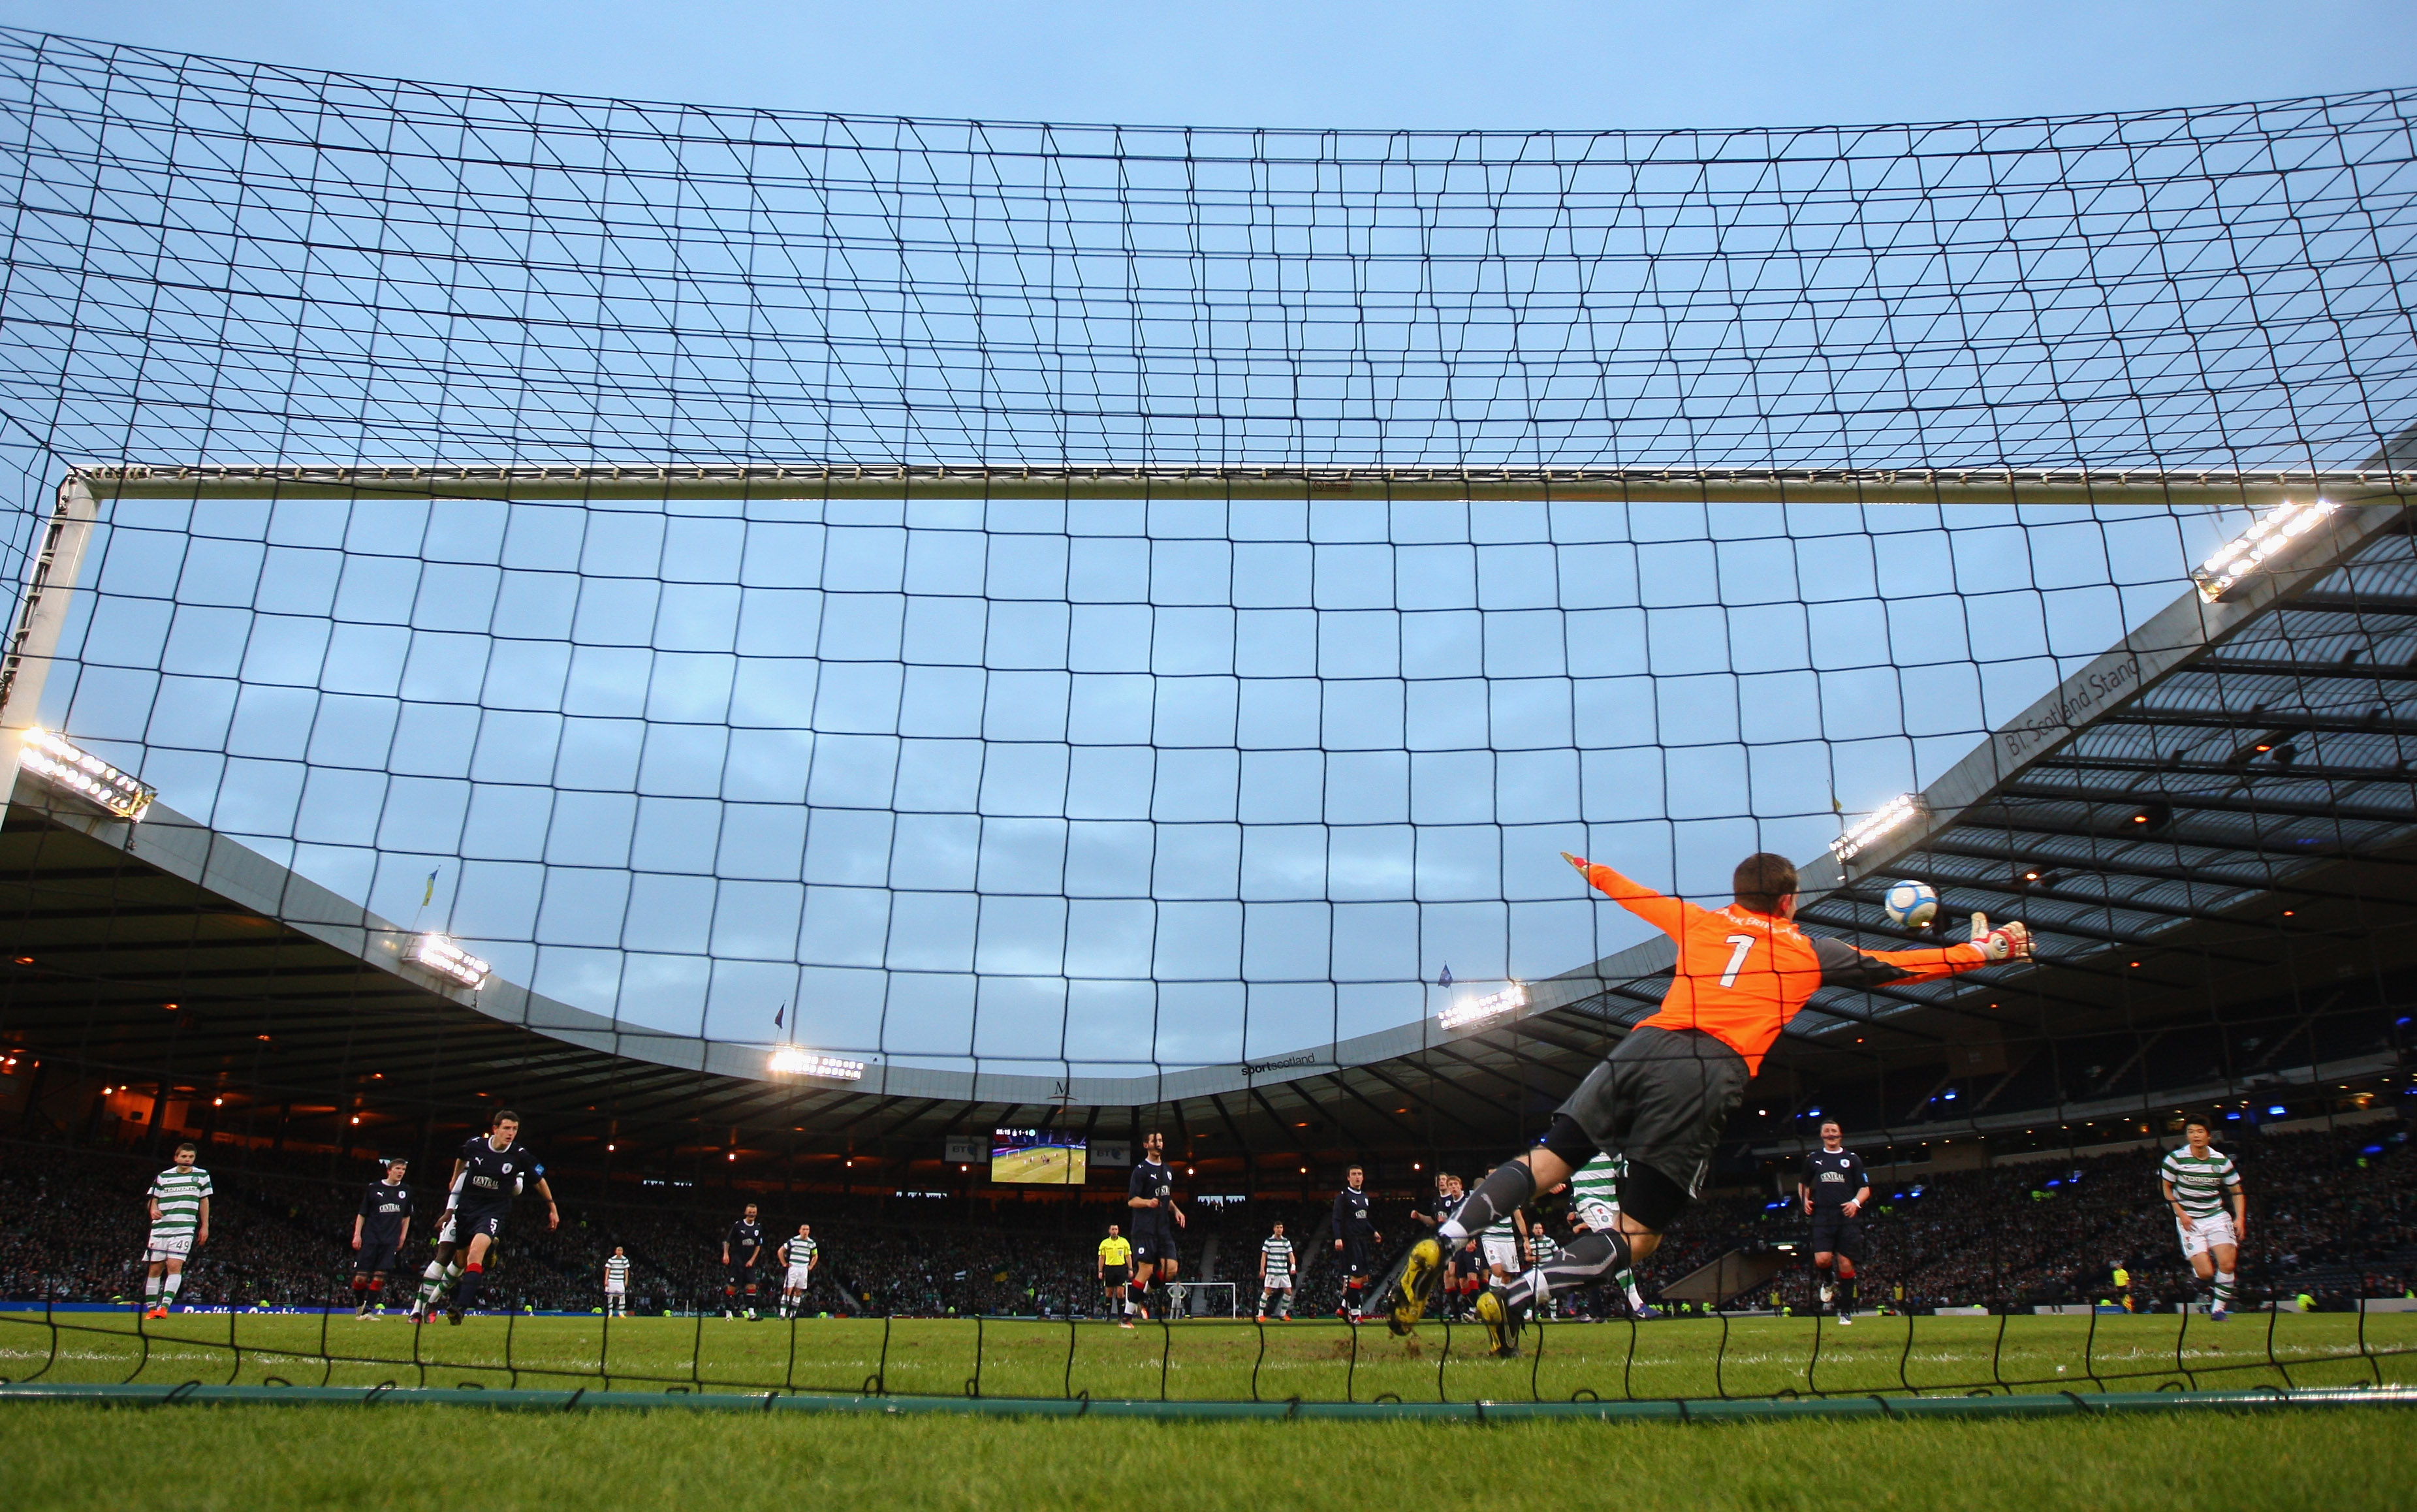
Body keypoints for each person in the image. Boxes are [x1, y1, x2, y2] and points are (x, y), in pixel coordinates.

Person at [1383, 850, 2027, 1357]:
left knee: (1546, 1160)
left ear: (1738, 894)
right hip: (1706, 1069)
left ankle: (1443, 1240)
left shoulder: (1703, 921)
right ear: (1787, 900)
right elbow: (1897, 965)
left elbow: (1632, 894)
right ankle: (1518, 1296)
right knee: (1637, 1237)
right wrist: (1982, 951)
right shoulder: (1808, 950)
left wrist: (1587, 866)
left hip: (1641, 1046)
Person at [443, 1109, 558, 1323]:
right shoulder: (475, 1145)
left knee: (475, 1254)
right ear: (495, 1129)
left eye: (514, 1129)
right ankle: (491, 1249)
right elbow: (461, 1157)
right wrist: (454, 1179)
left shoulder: (519, 1155)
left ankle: (460, 1307)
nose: (510, 1133)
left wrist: (552, 1209)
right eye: (506, 1128)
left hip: (493, 1211)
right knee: (460, 1259)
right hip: (467, 1209)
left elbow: (539, 1181)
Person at [2161, 1117, 2246, 1320]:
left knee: (2227, 1264)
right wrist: (2181, 1214)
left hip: (2216, 1216)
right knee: (2207, 1273)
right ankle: (2200, 1279)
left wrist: (2240, 1218)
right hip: (2189, 1220)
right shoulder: (2175, 1159)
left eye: (2200, 1131)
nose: (2195, 1135)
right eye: (2191, 1132)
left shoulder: (2221, 1161)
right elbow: (2165, 1188)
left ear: (2208, 1135)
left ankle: (2218, 1310)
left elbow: (2237, 1191)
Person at [1568, 1152, 1658, 1319]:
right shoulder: (1580, 1141)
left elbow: (1622, 1170)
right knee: (1617, 1248)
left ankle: (1586, 1307)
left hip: (1611, 1203)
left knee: (1606, 1255)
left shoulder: (1611, 1144)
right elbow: (1559, 1166)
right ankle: (1638, 1305)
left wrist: (1645, 1170)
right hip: (1590, 1201)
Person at [1799, 1120, 1871, 1325]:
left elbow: (1865, 1188)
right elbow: (1803, 1183)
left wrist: (1856, 1202)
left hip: (1846, 1217)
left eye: (1834, 1131)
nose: (1831, 1134)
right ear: (1822, 1135)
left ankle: (1845, 1311)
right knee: (1822, 1260)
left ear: (1841, 1134)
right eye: (1827, 1131)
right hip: (1822, 1216)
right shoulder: (1814, 1159)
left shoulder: (1852, 1159)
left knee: (1846, 1263)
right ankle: (1829, 1280)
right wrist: (1804, 1199)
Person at [140, 1140, 211, 1319]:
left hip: (184, 1227)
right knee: (155, 1269)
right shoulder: (163, 1176)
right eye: (184, 1156)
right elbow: (153, 1199)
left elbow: (204, 1201)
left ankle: (164, 1307)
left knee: (174, 1265)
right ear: (176, 1157)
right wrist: (153, 1209)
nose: (188, 1159)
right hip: (161, 1228)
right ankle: (151, 1308)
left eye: (191, 1157)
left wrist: (205, 1226)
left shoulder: (202, 1176)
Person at [1124, 1131, 1184, 1321]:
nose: (1158, 1143)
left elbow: (1166, 1196)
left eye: (1160, 1140)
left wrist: (1175, 1210)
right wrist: (1148, 1202)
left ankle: (1140, 1295)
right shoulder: (1140, 1170)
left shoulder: (1168, 1169)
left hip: (1163, 1229)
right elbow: (1132, 1201)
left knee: (1172, 1269)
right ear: (1146, 1145)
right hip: (1144, 1229)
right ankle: (1126, 1317)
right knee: (1146, 1270)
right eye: (1154, 1141)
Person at [349, 1157, 414, 1318]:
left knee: (380, 1275)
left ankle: (369, 1310)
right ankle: (359, 1304)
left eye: (403, 1170)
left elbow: (406, 1217)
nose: (401, 1172)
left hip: (390, 1240)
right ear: (389, 1170)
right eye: (398, 1169)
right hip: (371, 1238)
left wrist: (402, 1237)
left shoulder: (406, 1191)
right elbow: (362, 1214)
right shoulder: (374, 1188)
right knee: (360, 1278)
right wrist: (357, 1235)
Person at [1331, 1164, 1382, 1319]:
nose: (1357, 1176)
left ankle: (1343, 1307)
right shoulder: (1343, 1196)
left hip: (1362, 1240)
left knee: (1365, 1278)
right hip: (1350, 1241)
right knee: (1356, 1277)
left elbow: (1362, 1219)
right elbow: (1336, 1219)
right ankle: (1355, 1315)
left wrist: (1373, 1231)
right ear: (1348, 1178)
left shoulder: (1364, 1197)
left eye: (1360, 1174)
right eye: (1354, 1174)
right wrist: (1338, 1238)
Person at [721, 1203, 765, 1320]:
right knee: (732, 1287)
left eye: (754, 1213)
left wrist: (752, 1260)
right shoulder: (738, 1226)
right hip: (737, 1261)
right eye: (750, 1212)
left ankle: (751, 1313)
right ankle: (729, 1314)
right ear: (746, 1213)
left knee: (751, 1285)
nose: (752, 1215)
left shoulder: (758, 1227)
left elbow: (758, 1245)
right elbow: (727, 1241)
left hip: (750, 1262)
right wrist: (726, 1254)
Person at [1258, 1219, 1297, 1321]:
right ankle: (1260, 1314)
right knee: (1267, 1291)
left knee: (1288, 1292)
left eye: (1281, 1228)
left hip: (1283, 1271)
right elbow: (1264, 1256)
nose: (1280, 1229)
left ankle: (1283, 1314)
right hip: (1272, 1271)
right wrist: (1262, 1269)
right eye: (1278, 1228)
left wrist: (1293, 1266)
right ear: (1274, 1229)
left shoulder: (1286, 1242)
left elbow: (1291, 1255)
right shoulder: (1269, 1241)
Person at [1097, 1224, 1135, 1327]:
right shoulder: (1104, 1243)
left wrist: (1130, 1269)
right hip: (1109, 1269)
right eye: (1113, 1229)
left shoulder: (1124, 1242)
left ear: (1118, 1231)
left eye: (1116, 1229)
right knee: (1109, 1293)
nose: (1114, 1231)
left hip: (1121, 1269)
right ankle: (1108, 1316)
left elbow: (1128, 1256)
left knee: (1120, 1293)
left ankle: (1120, 1316)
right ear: (1109, 1231)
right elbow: (1101, 1258)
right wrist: (1100, 1271)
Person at [777, 1223, 817, 1319]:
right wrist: (784, 1263)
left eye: (807, 1229)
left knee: (798, 1292)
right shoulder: (793, 1240)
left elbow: (815, 1255)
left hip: (803, 1269)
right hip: (793, 1268)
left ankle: (793, 1314)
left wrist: (811, 1266)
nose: (805, 1231)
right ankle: (782, 1314)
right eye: (804, 1229)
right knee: (788, 1290)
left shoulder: (811, 1243)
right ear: (800, 1230)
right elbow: (781, 1251)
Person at [603, 1246, 632, 1317]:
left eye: (621, 1251)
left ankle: (621, 1313)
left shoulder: (625, 1260)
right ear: (616, 1251)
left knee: (622, 1297)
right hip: (612, 1280)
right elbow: (608, 1270)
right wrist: (606, 1280)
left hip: (620, 1281)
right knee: (610, 1297)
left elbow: (626, 1271)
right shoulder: (611, 1260)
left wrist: (626, 1280)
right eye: (618, 1250)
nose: (619, 1252)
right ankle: (610, 1313)